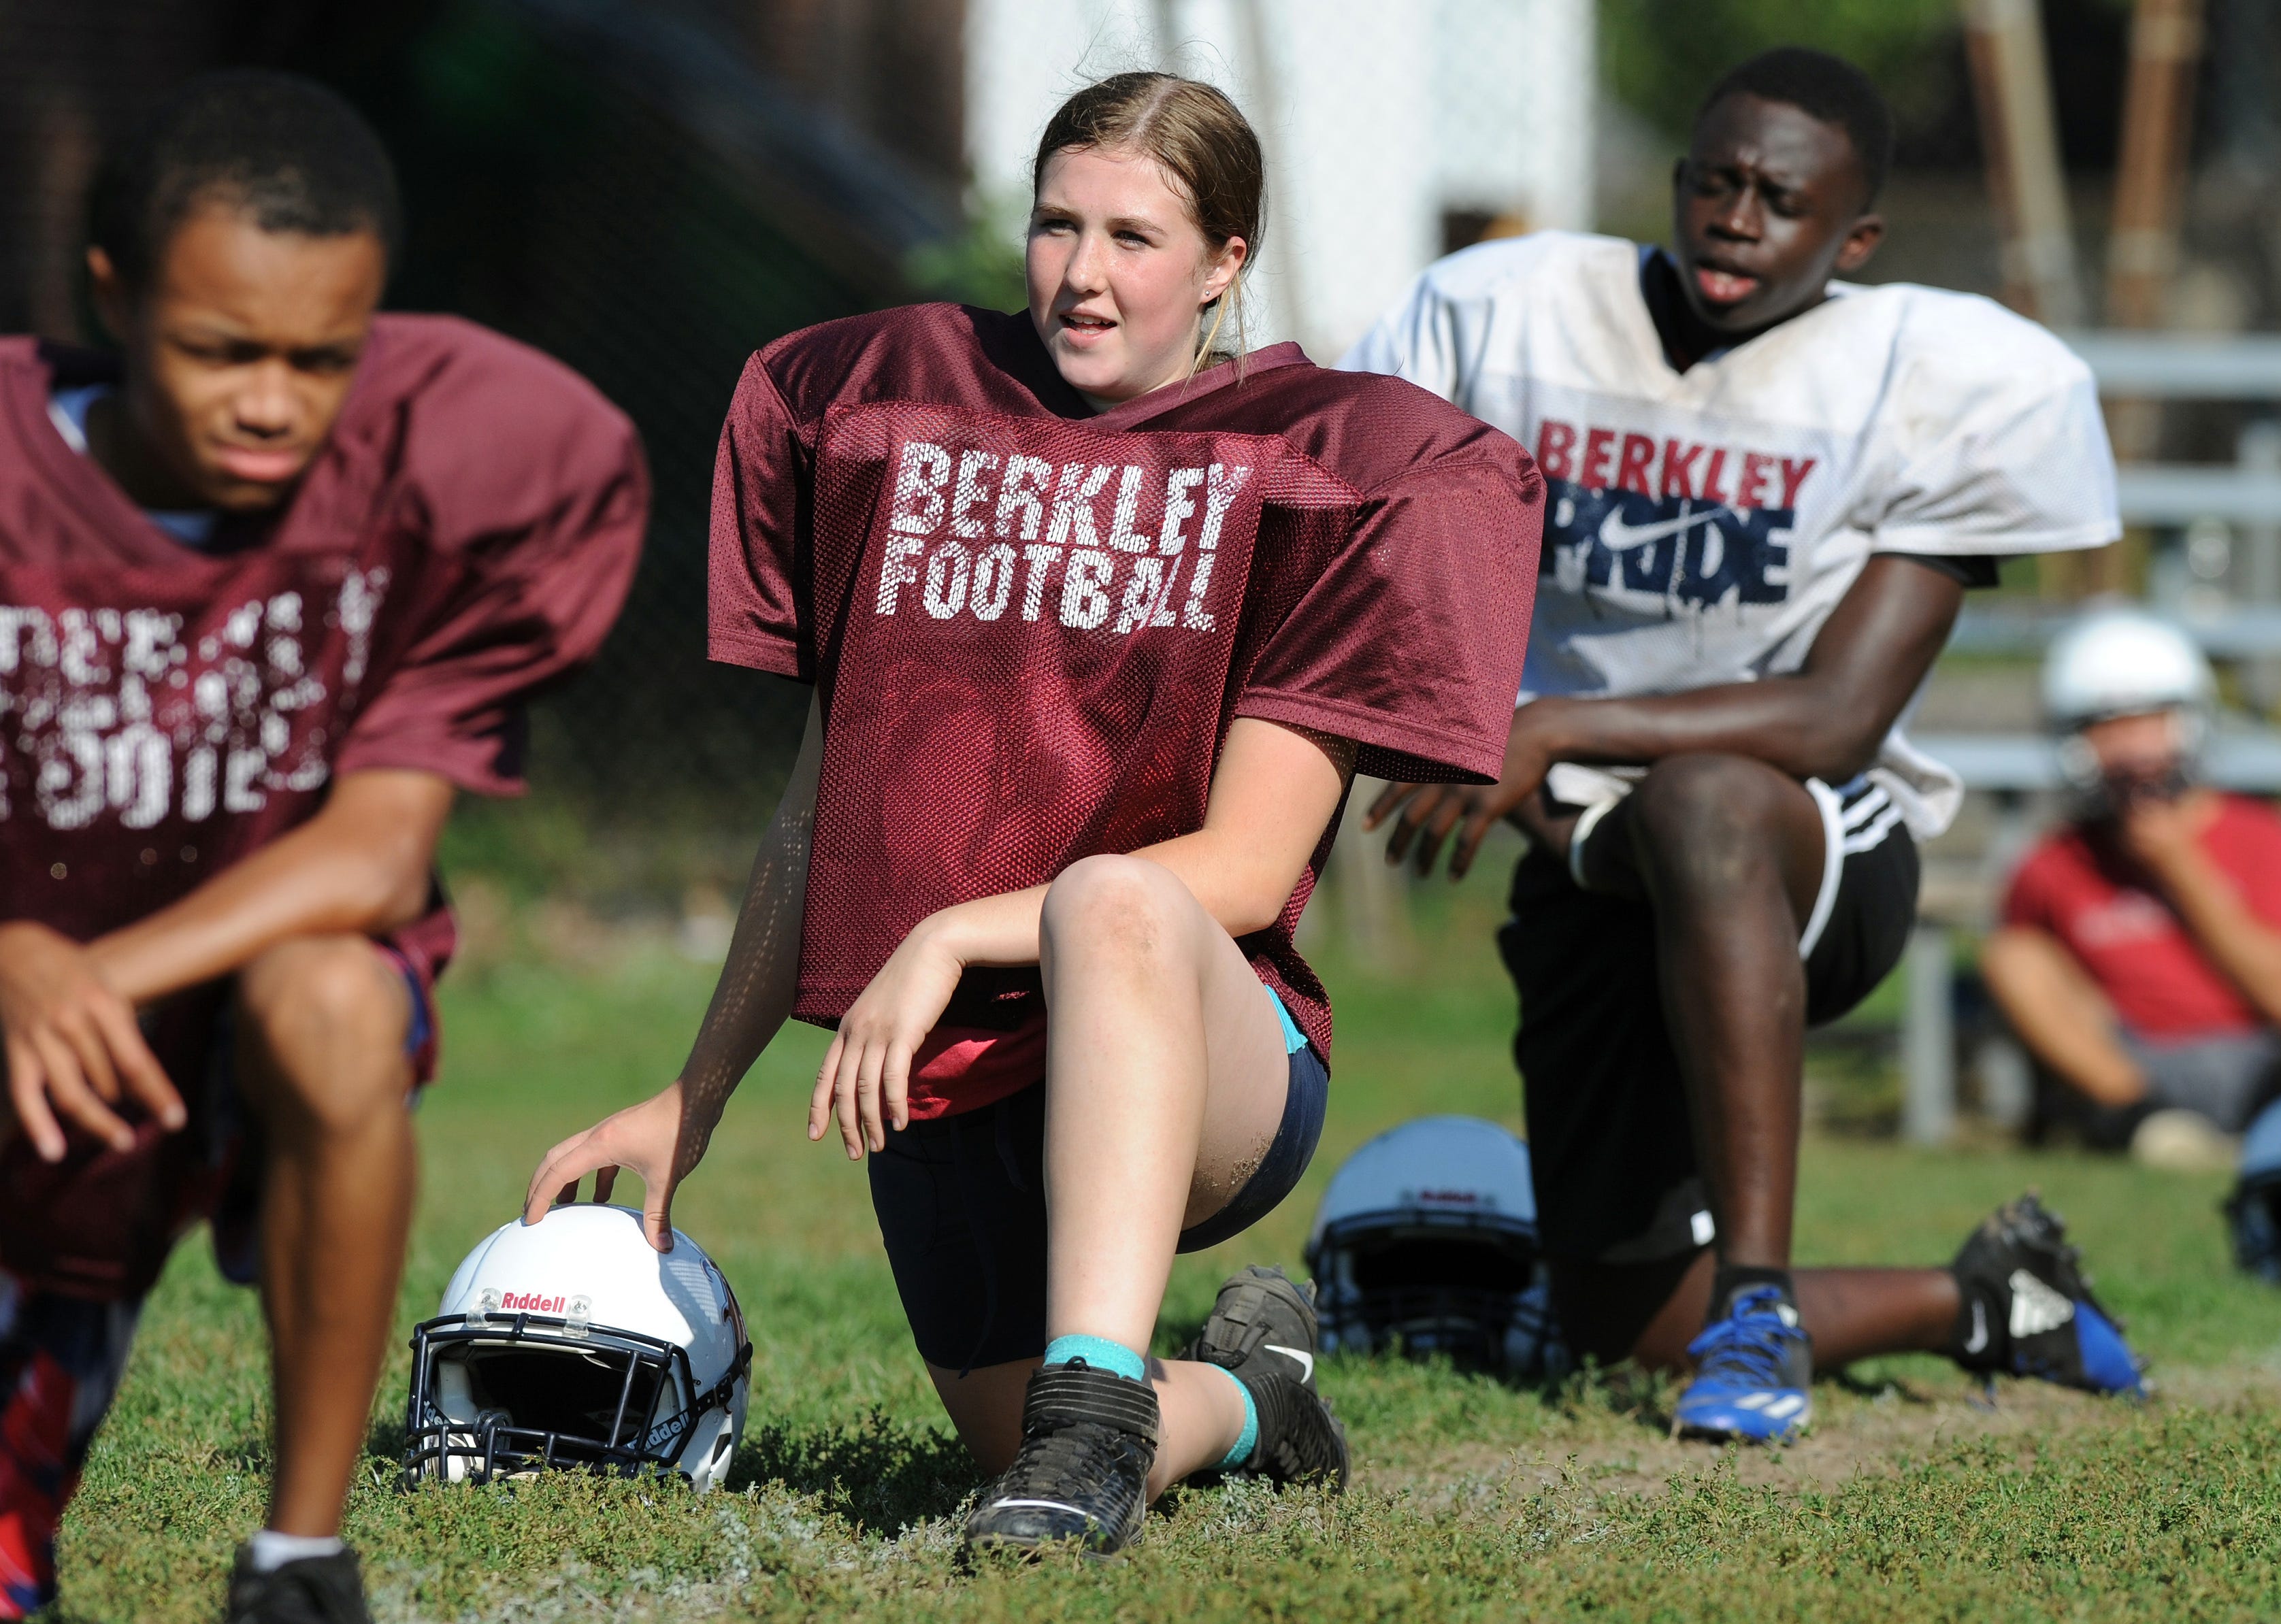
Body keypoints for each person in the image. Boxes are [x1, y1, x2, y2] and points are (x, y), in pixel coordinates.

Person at [525, 71, 1542, 1556]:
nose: (1080, 272)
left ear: (1223, 264)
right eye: (1055, 226)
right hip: (946, 1063)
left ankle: (1093, 1398)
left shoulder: (1318, 462)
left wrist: (946, 927)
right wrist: (695, 1094)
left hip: (1198, 1042)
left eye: (1133, 236)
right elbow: (816, 815)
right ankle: (1251, 1394)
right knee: (1025, 1443)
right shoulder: (899, 413)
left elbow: (1248, 871)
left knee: (1111, 895)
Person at [1343, 46, 2147, 1441]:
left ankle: (1760, 1297)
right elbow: (1386, 555)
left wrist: (1545, 724)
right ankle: (1981, 1297)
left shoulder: (1927, 371)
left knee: (1704, 800)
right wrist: (1450, 717)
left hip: (1808, 840)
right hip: (1583, 843)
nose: (1733, 217)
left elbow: (1836, 715)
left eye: (1778, 199)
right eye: (1711, 182)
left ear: (1854, 237)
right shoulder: (1509, 312)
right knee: (1620, 1321)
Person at [0, 73, 646, 1623]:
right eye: (223, 350)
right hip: (37, 1071)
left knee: (337, 995)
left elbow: (372, 857)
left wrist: (75, 968)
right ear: (115, 292)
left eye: (320, 357)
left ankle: (299, 1564)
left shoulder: (471, 457)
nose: (276, 402)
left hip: (228, 1011)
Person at [1984, 608, 2281, 1167]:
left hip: (2264, 1056)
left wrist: (2179, 867)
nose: (2132, 749)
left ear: (2188, 722)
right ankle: (2140, 1126)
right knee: (2011, 954)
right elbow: (2042, 991)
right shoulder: (2055, 861)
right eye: (2106, 727)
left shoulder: (2259, 832)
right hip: (2138, 1060)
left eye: (2147, 721)